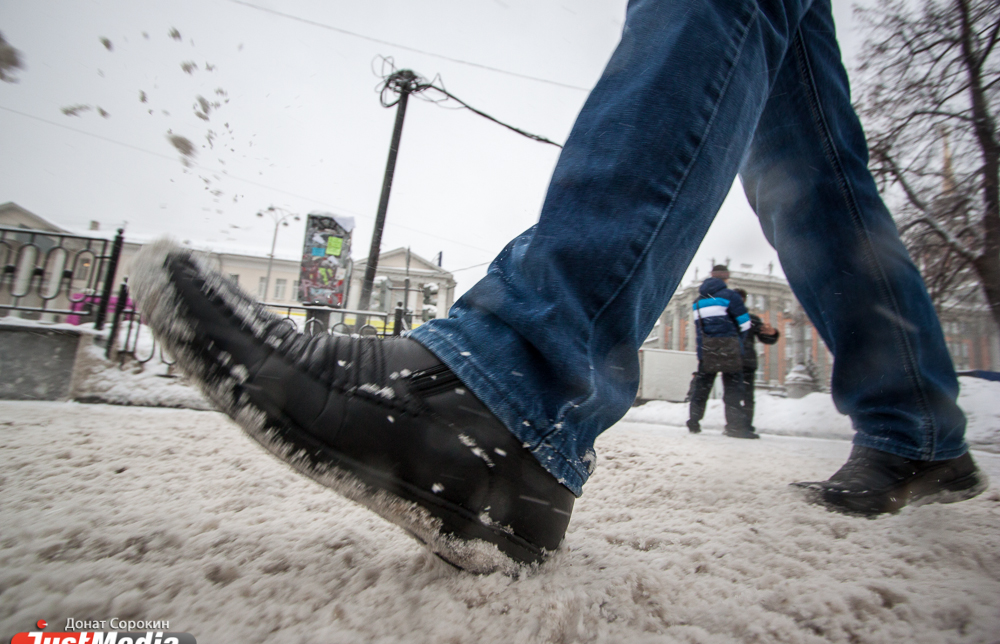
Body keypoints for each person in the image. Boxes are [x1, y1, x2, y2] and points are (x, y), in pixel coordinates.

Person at [132, 0, 988, 574]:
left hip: (718, 358)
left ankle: (514, 391)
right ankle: (913, 419)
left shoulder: (722, 299)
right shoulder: (718, 298)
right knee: (805, 149)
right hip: (728, 353)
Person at [685, 265, 754, 437]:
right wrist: (737, 341)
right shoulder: (731, 296)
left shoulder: (697, 302)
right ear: (726, 278)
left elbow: (699, 328)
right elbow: (745, 324)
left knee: (702, 388)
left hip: (707, 350)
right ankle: (734, 427)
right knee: (732, 389)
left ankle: (693, 422)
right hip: (729, 350)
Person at [733, 287, 780, 435]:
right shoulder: (727, 317)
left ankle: (745, 426)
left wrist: (773, 334)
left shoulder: (751, 318)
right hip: (733, 361)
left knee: (744, 396)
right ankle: (736, 426)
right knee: (735, 396)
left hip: (745, 362)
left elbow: (765, 337)